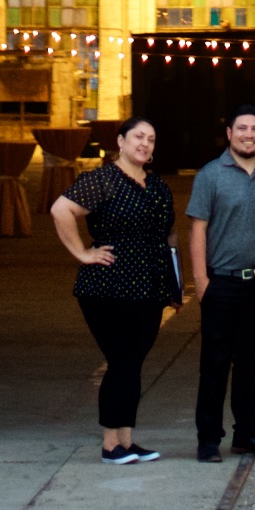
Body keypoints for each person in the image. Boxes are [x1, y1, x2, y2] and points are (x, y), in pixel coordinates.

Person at [49, 113, 180, 465]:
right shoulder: (103, 180)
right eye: (137, 136)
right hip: (107, 287)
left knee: (132, 363)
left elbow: (168, 237)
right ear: (120, 142)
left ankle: (126, 440)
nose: (144, 144)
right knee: (121, 360)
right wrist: (82, 253)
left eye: (151, 139)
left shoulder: (158, 187)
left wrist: (174, 286)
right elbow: (61, 210)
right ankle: (110, 445)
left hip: (149, 288)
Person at [186, 104, 255, 463]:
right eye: (242, 129)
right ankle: (208, 439)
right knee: (214, 365)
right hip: (221, 284)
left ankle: (246, 435)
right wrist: (201, 282)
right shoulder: (209, 175)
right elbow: (197, 230)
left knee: (251, 366)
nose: (249, 135)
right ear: (229, 133)